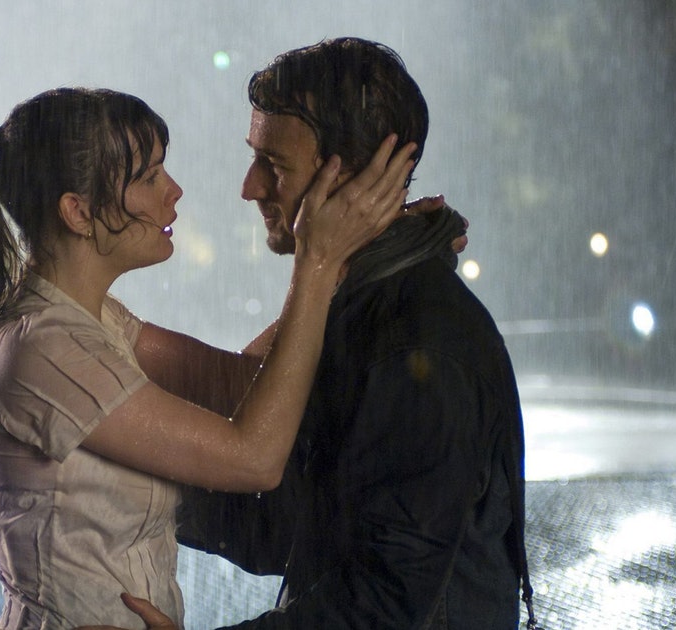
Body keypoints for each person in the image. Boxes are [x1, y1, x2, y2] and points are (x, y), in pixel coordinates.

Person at [0, 87, 426, 629]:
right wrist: (318, 259)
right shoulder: (43, 350)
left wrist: (361, 255)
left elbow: (241, 382)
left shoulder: (94, 322)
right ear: (78, 212)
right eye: (148, 178)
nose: (174, 190)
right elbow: (254, 458)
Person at [94, 37, 538, 630]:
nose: (250, 187)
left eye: (274, 165)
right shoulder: (362, 311)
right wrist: (120, 489)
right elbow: (293, 528)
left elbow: (382, 604)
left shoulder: (415, 345)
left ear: (355, 179)